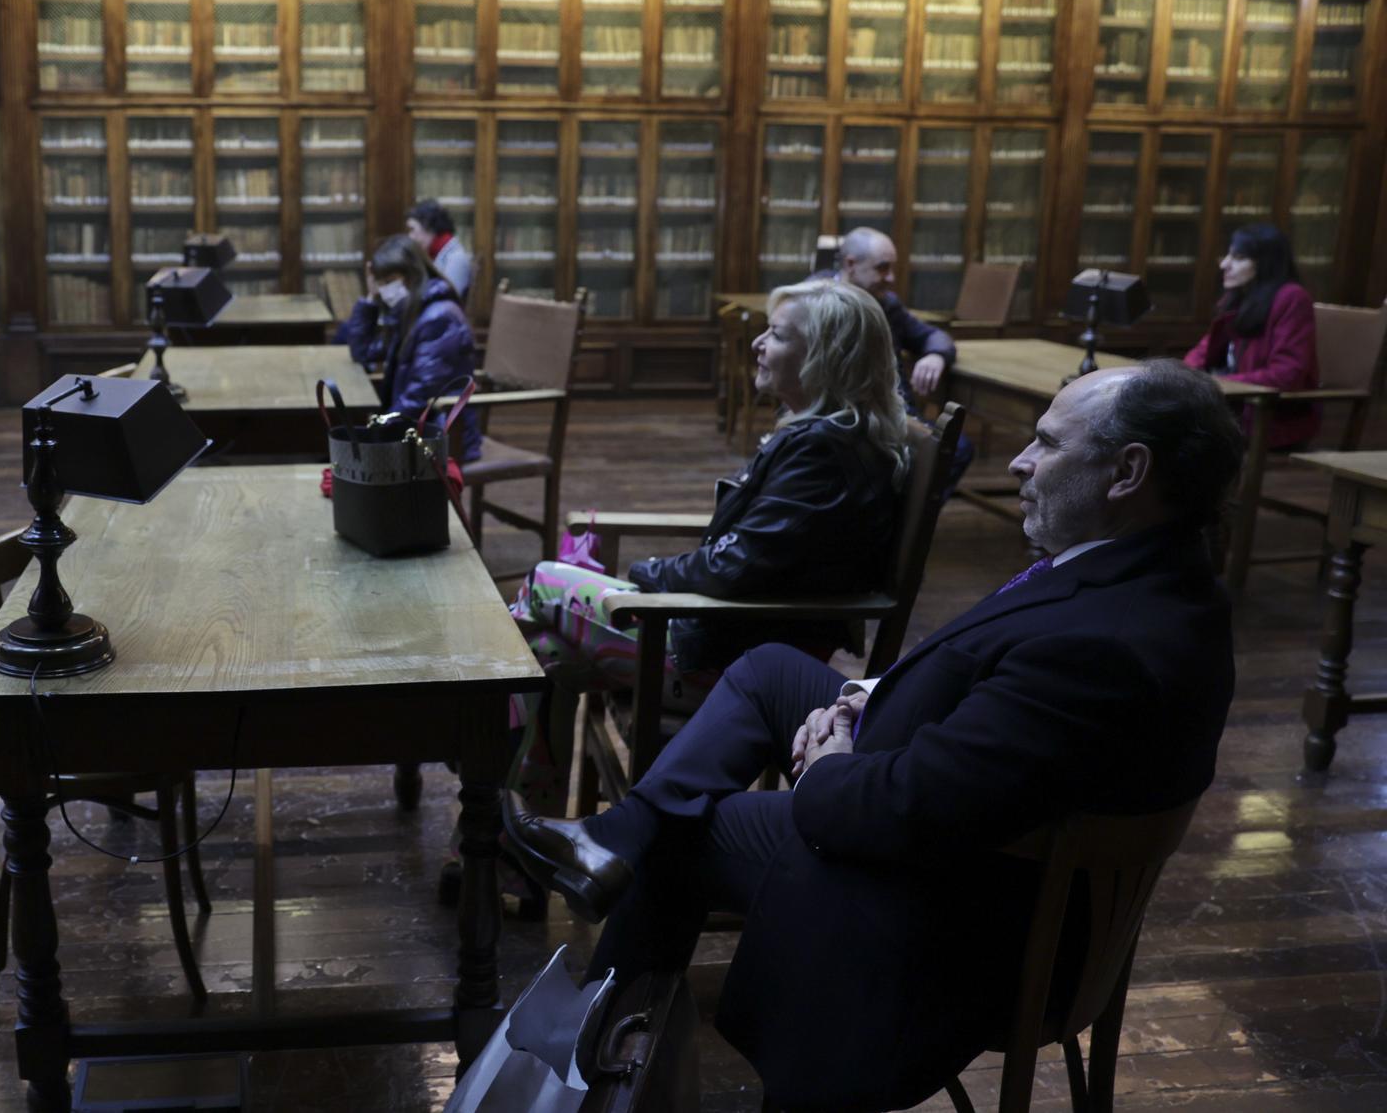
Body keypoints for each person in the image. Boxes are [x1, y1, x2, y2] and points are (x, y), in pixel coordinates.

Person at [502, 359, 1242, 1113]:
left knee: (681, 836)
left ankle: (590, 1072)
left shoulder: (1103, 647)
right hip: (952, 807)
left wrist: (831, 759)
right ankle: (614, 838)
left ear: (1128, 471)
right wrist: (862, 695)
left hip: (958, 920)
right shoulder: (1148, 574)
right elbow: (990, 703)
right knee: (768, 671)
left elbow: (905, 809)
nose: (1018, 461)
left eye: (1047, 444)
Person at [507, 279, 907, 813]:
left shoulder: (824, 453)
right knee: (545, 659)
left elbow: (731, 568)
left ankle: (495, 811)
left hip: (721, 663)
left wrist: (646, 574)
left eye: (778, 336)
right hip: (728, 635)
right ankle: (517, 832)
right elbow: (748, 555)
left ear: (827, 359)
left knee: (543, 584)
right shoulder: (827, 439)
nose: (758, 344)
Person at [817, 225, 972, 487]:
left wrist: (936, 355)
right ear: (851, 264)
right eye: (882, 268)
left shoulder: (886, 303)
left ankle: (910, 520)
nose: (891, 278)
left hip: (895, 413)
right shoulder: (816, 301)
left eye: (891, 268)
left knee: (955, 449)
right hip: (843, 416)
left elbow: (932, 336)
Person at [334, 235, 481, 461]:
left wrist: (380, 429)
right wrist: (370, 298)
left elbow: (421, 395)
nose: (385, 290)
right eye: (380, 282)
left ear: (413, 275)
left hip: (441, 435)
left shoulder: (439, 317)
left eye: (390, 280)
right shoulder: (411, 310)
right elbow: (362, 352)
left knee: (350, 456)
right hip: (415, 427)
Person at [1184, 222, 1321, 450]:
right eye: (1228, 255)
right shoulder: (1237, 297)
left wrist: (1218, 384)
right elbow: (1202, 352)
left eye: (1238, 258)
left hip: (1268, 415)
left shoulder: (1293, 298)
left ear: (1264, 263)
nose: (1224, 264)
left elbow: (1287, 374)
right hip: (1231, 405)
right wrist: (1184, 377)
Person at [404, 199, 473, 301]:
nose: (410, 237)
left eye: (412, 229)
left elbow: (448, 300)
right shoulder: (437, 253)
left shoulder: (456, 258)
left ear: (428, 226)